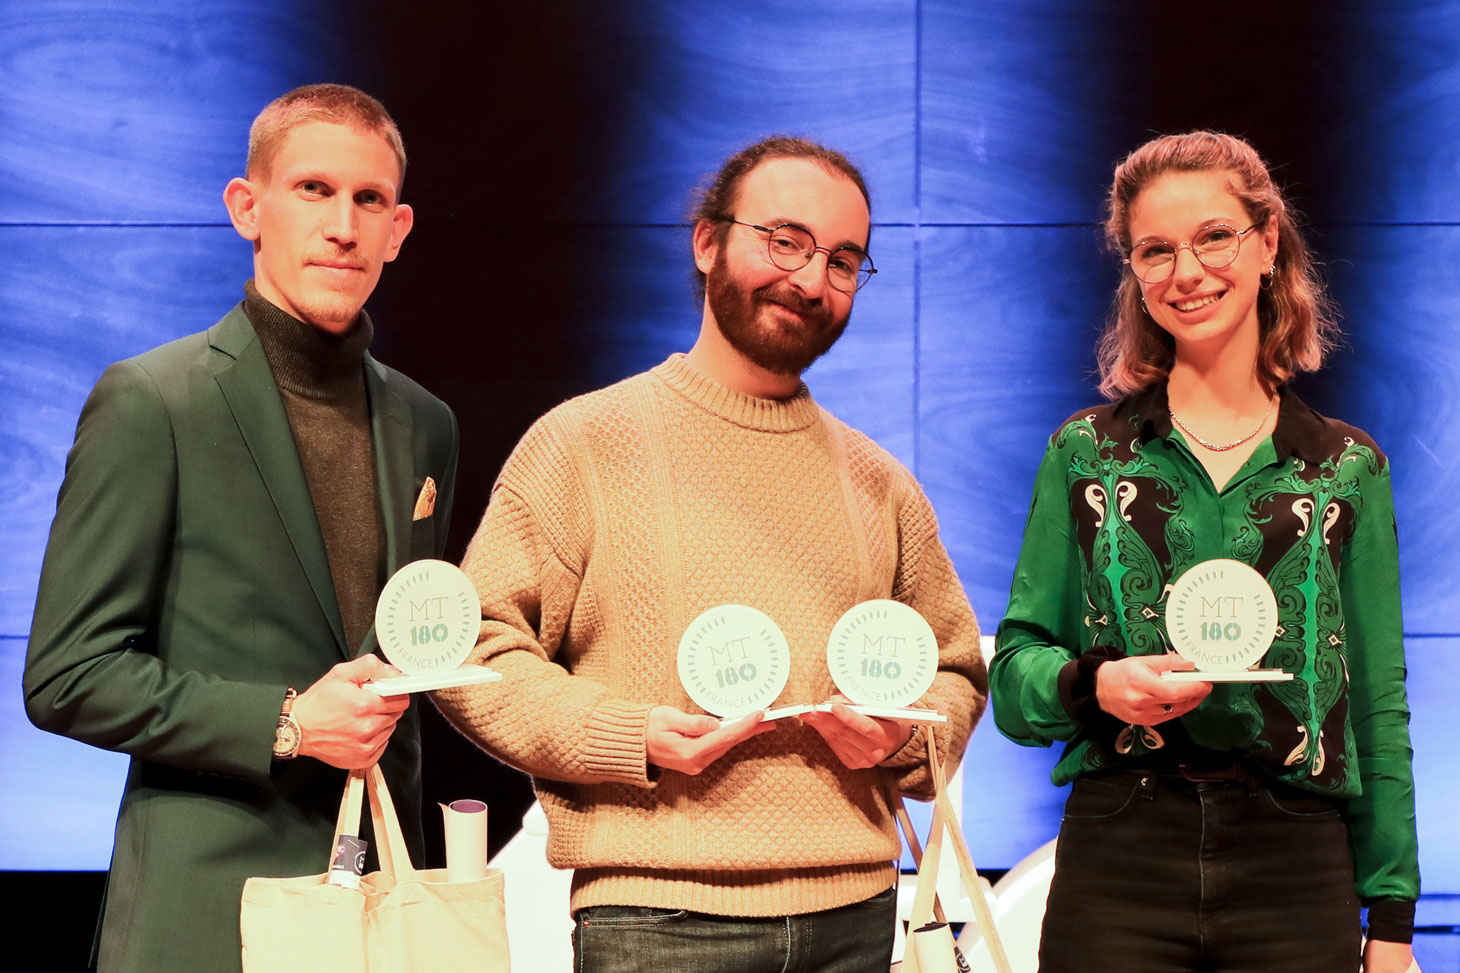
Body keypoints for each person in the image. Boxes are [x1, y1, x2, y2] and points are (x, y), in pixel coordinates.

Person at [433, 136, 985, 972]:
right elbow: (472, 645)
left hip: (858, 912)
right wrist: (629, 735)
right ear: (706, 241)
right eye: (785, 240)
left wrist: (899, 740)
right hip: (655, 918)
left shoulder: (879, 482)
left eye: (843, 261)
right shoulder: (585, 443)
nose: (809, 279)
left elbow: (954, 671)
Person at [24, 84, 459, 973]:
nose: (343, 224)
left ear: (399, 229)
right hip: (205, 918)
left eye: (368, 199)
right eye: (313, 190)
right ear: (246, 208)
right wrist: (289, 720)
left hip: (380, 914)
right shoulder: (155, 401)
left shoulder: (425, 425)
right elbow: (68, 674)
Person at [991, 131, 1419, 973]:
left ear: (1267, 244)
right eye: (1156, 250)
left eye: (1214, 236)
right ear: (1136, 274)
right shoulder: (1086, 454)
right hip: (1122, 849)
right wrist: (1096, 684)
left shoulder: (1346, 468)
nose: (1187, 271)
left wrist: (1395, 925)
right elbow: (1013, 676)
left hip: (1298, 862)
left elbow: (1377, 703)